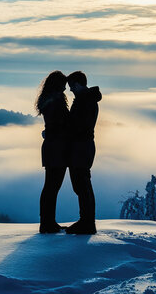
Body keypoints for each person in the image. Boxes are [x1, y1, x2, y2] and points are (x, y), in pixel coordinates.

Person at [65, 71, 101, 235]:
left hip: (81, 146)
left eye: (72, 86)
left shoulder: (84, 100)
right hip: (84, 146)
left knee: (82, 185)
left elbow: (79, 126)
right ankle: (86, 221)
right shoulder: (87, 99)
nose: (70, 90)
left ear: (79, 84)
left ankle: (87, 223)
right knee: (82, 184)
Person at [36, 71, 69, 234]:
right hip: (56, 147)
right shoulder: (56, 100)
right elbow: (60, 124)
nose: (65, 89)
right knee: (52, 186)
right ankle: (47, 223)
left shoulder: (48, 99)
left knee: (50, 186)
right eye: (63, 85)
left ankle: (48, 221)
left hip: (51, 146)